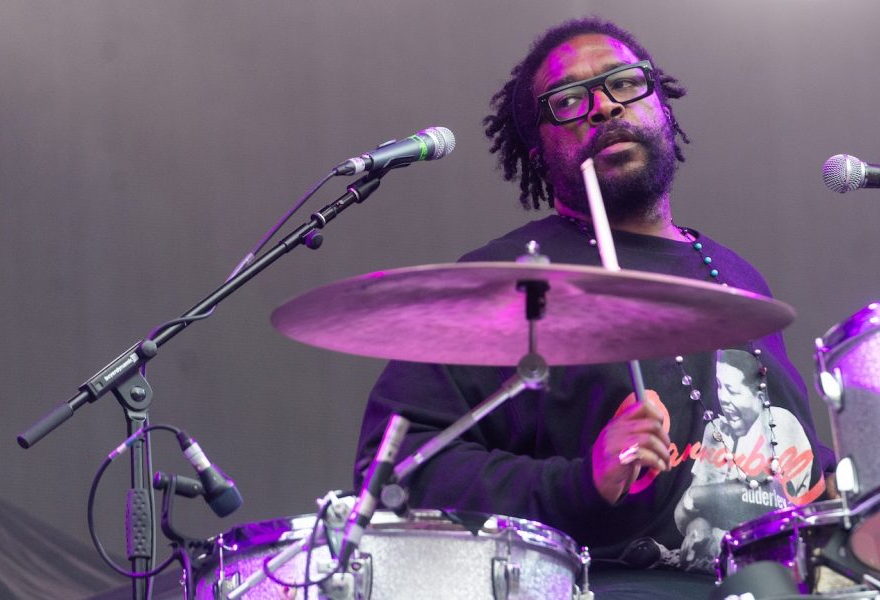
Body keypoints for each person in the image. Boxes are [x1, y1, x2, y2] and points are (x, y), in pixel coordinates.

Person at [355, 16, 834, 599]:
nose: (604, 108)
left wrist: (840, 486)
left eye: (624, 83)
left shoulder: (737, 276)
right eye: (568, 100)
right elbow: (396, 472)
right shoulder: (508, 279)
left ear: (662, 105)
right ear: (536, 148)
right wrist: (583, 482)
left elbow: (786, 461)